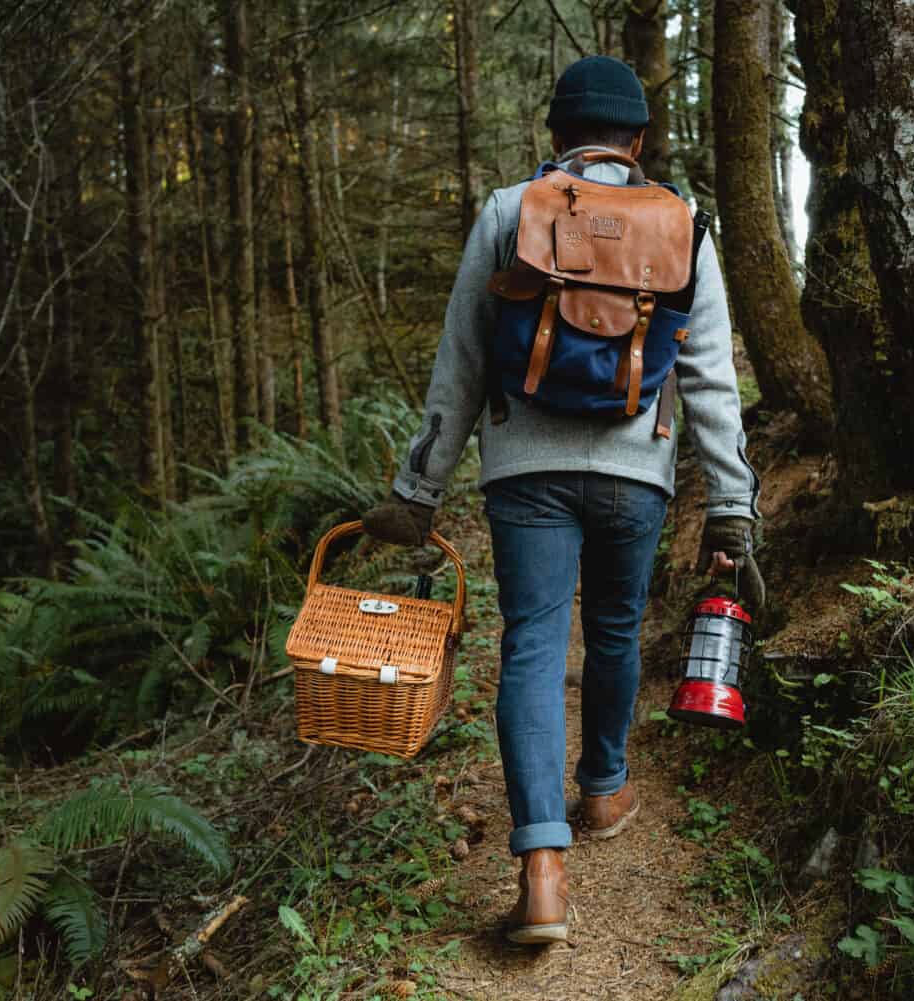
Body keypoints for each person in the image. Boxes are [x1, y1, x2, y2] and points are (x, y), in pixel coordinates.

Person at [361, 55, 762, 945]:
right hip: (637, 473)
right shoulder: (685, 226)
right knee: (616, 628)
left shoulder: (511, 211)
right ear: (640, 141)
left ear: (555, 137)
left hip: (524, 470)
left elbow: (461, 360)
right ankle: (607, 786)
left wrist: (419, 488)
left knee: (535, 644)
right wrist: (732, 503)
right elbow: (710, 379)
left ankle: (542, 867)